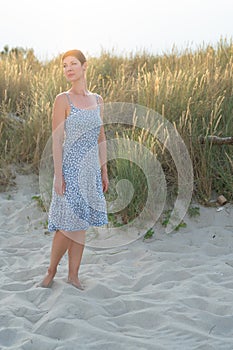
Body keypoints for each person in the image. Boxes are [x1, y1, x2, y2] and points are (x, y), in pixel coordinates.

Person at [41, 49, 109, 290]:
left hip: (90, 171)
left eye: (73, 64)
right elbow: (57, 139)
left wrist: (104, 171)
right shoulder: (63, 99)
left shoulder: (98, 100)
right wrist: (59, 175)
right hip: (69, 168)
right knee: (66, 225)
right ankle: (51, 272)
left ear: (84, 66)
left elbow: (101, 137)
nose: (68, 68)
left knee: (81, 225)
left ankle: (73, 275)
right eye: (64, 65)